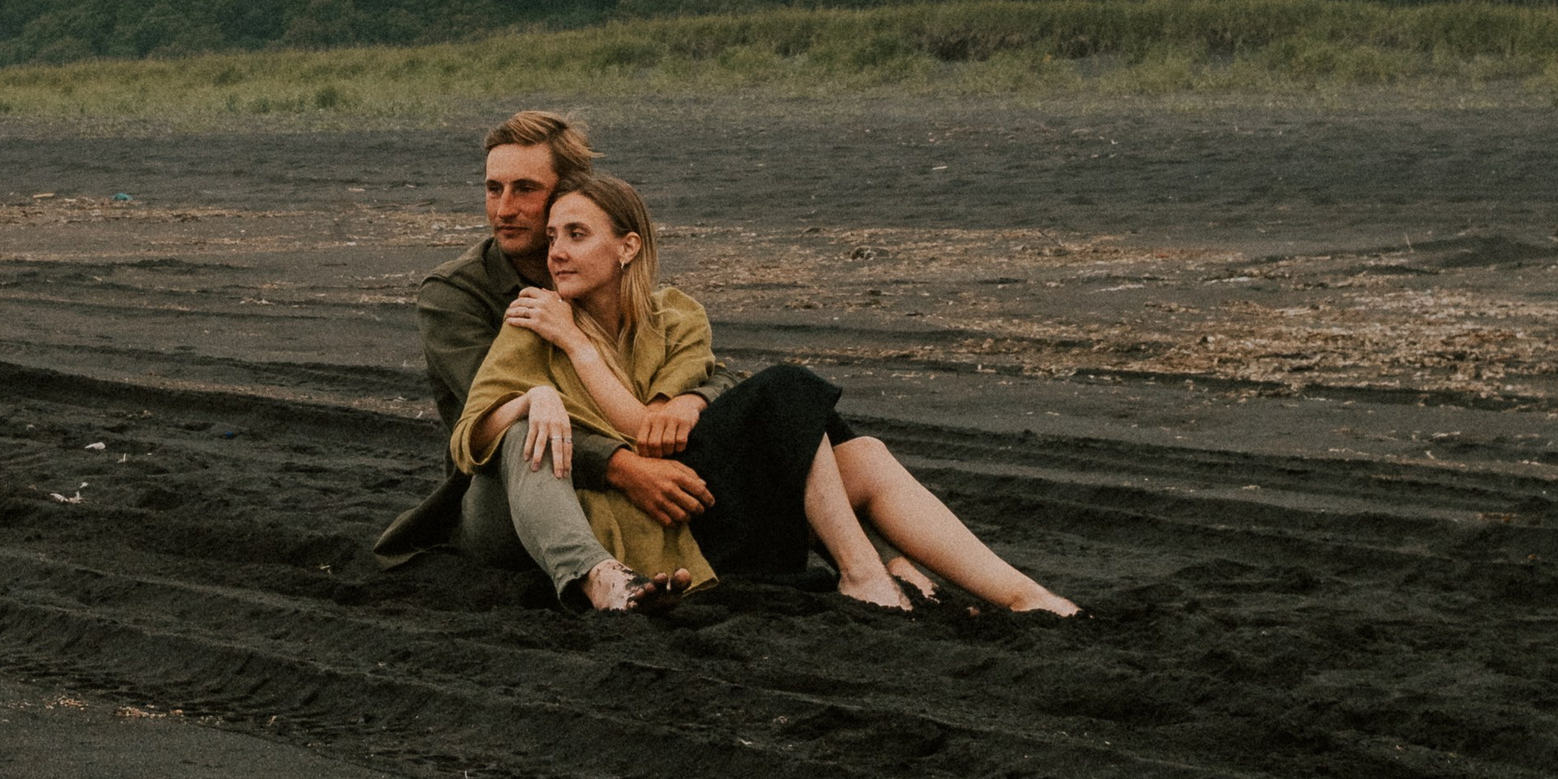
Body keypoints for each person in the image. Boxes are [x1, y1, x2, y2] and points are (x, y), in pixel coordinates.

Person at [455, 171, 1079, 616]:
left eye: (576, 235)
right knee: (787, 393)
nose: (557, 252)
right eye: (555, 237)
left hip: (692, 503)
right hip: (630, 525)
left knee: (860, 452)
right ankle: (862, 571)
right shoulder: (535, 319)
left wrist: (684, 398)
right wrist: (544, 384)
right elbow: (471, 437)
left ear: (628, 248)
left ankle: (1025, 594)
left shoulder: (676, 316)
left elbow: (654, 426)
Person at [371, 112, 724, 611]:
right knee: (526, 426)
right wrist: (625, 468)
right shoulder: (455, 294)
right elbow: (489, 412)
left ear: (565, 196)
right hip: (505, 496)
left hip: (620, 481)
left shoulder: (602, 280)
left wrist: (689, 399)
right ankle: (599, 578)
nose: (504, 209)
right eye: (493, 189)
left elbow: (704, 363)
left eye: (525, 190)